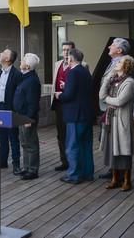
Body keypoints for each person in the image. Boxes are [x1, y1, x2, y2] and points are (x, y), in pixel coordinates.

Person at [100, 55, 134, 191]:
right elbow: (101, 95)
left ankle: (127, 180)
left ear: (126, 66)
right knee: (112, 149)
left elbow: (120, 101)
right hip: (111, 119)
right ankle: (115, 178)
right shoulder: (113, 80)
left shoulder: (130, 82)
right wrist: (107, 79)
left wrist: (107, 99)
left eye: (120, 62)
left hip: (122, 120)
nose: (117, 63)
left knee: (124, 149)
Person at [58, 48, 94, 184]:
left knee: (73, 146)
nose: (66, 59)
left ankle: (74, 175)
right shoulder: (85, 71)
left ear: (71, 59)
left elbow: (69, 95)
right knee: (86, 145)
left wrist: (59, 94)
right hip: (87, 113)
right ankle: (87, 173)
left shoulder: (73, 72)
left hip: (75, 115)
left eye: (68, 57)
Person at [98, 37, 131, 180]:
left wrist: (106, 99)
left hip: (115, 107)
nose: (108, 47)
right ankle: (114, 169)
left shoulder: (123, 63)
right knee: (110, 140)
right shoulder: (113, 62)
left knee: (119, 141)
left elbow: (118, 88)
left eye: (112, 45)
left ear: (120, 50)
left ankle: (120, 172)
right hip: (109, 107)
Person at [13, 53, 42, 180]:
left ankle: (33, 170)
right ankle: (26, 168)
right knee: (24, 143)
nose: (21, 62)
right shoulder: (26, 77)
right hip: (21, 115)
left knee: (31, 143)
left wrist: (29, 119)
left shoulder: (32, 80)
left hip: (26, 116)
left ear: (28, 66)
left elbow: (32, 102)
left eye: (23, 60)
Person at [0, 48, 23, 175]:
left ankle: (16, 164)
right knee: (2, 136)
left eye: (3, 53)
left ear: (8, 59)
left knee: (13, 137)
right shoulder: (0, 72)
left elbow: (18, 95)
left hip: (10, 108)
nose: (0, 54)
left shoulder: (17, 74)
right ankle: (3, 161)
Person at [52, 41, 75, 172]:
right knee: (60, 134)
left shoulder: (81, 65)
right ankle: (64, 161)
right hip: (59, 105)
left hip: (71, 105)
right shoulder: (57, 64)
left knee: (71, 134)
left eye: (68, 50)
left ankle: (73, 162)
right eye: (64, 50)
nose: (65, 52)